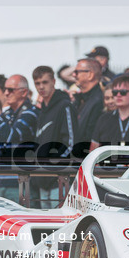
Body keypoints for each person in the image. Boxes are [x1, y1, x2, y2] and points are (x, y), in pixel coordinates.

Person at [31, 65, 77, 207]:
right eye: (37, 83)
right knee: (46, 224)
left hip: (59, 179)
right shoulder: (42, 111)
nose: (41, 87)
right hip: (42, 180)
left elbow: (70, 143)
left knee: (61, 224)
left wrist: (54, 166)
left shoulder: (65, 106)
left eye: (45, 82)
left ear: (54, 81)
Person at [90, 74, 129, 150]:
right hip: (106, 161)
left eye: (123, 92)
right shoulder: (104, 119)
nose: (118, 95)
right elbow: (93, 150)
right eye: (115, 92)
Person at [71, 58, 105, 158]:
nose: (74, 75)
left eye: (77, 72)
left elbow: (91, 136)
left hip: (85, 159)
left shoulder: (98, 101)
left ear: (90, 75)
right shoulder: (80, 99)